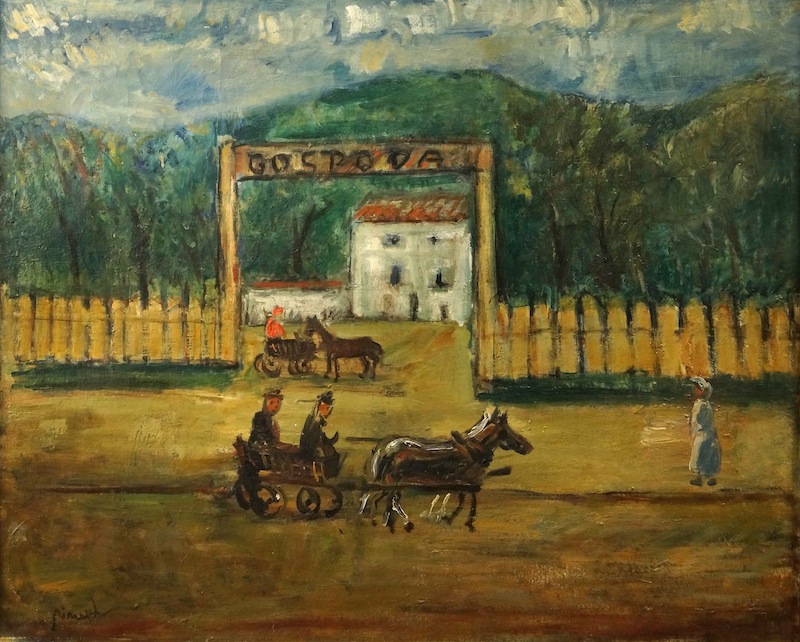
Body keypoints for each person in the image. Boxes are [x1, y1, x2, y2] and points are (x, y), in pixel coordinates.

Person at [687, 376, 721, 486]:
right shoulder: (703, 404)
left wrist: (693, 427)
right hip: (707, 433)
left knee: (701, 454)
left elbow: (699, 420)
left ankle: (702, 478)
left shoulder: (701, 405)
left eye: (696, 388)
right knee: (707, 455)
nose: (694, 390)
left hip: (703, 433)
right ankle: (708, 478)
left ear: (702, 391)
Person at [299, 390, 339, 463]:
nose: (329, 411)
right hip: (310, 450)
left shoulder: (316, 417)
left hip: (311, 447)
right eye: (327, 408)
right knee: (332, 457)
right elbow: (313, 439)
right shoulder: (316, 420)